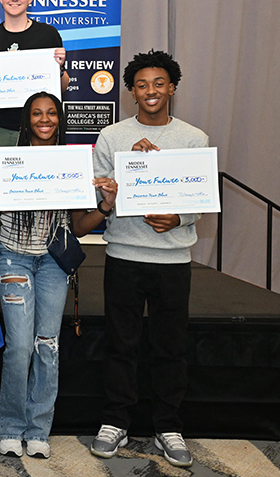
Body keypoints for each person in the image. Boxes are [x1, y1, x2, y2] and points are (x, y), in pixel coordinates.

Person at [0, 92, 117, 459]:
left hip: (54, 264)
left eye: (51, 113)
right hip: (14, 261)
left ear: (60, 118)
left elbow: (79, 226)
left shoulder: (72, 164)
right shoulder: (9, 162)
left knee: (47, 346)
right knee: (20, 347)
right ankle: (10, 427)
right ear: (27, 120)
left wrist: (104, 207)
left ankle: (39, 429)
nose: (44, 119)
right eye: (37, 113)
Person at [87, 50, 206, 468]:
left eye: (159, 83)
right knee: (122, 342)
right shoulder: (112, 137)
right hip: (123, 253)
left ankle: (167, 426)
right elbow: (101, 196)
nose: (151, 91)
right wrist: (125, 171)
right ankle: (115, 421)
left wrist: (179, 217)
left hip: (173, 258)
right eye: (142, 85)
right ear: (131, 92)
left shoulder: (193, 137)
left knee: (169, 346)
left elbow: (199, 197)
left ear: (172, 87)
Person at [0, 0, 69, 182]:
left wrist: (59, 69)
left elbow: (62, 86)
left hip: (41, 129)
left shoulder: (48, 34)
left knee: (41, 187)